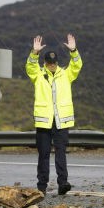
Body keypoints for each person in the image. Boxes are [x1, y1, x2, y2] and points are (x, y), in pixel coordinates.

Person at [25, 33, 82, 195]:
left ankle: (62, 183)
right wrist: (34, 53)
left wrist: (74, 51)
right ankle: (41, 186)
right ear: (45, 63)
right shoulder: (38, 74)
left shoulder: (66, 74)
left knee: (60, 154)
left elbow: (77, 65)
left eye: (53, 63)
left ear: (57, 62)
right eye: (49, 63)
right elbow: (30, 66)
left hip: (61, 122)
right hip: (44, 123)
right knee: (43, 155)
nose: (51, 65)